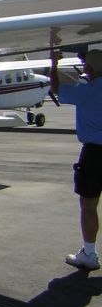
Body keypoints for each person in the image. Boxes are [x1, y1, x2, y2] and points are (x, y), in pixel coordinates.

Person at [50, 48, 102, 270]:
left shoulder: (85, 91)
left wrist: (54, 64)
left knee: (89, 204)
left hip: (94, 154)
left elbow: (56, 88)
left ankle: (89, 254)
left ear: (88, 68)